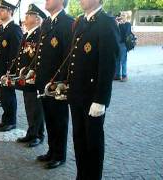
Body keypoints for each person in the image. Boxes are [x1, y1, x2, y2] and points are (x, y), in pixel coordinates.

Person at [67, 0, 120, 179]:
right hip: (76, 93)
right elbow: (74, 57)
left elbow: (108, 64)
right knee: (79, 139)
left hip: (92, 96)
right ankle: (82, 175)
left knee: (93, 142)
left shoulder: (107, 22)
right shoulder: (80, 21)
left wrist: (101, 99)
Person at [35, 0, 74, 169]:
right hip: (45, 81)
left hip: (57, 83)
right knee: (49, 118)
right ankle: (52, 150)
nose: (46, 1)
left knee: (59, 119)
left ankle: (59, 155)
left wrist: (61, 82)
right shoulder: (47, 22)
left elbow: (68, 56)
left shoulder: (68, 23)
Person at [14, 4, 46, 148]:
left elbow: (39, 57)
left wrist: (30, 72)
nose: (25, 18)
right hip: (25, 77)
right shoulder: (27, 34)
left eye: (28, 16)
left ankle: (38, 135)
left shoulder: (40, 34)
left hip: (34, 77)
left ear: (37, 19)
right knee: (29, 105)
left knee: (36, 107)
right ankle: (31, 132)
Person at [0, 0, 23, 132]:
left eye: (3, 10)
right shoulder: (2, 29)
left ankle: (11, 121)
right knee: (2, 95)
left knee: (8, 95)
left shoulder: (14, 29)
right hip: (0, 69)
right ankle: (5, 119)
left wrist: (10, 72)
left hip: (7, 70)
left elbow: (15, 54)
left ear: (10, 12)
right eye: (0, 10)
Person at [115, 12, 132, 82]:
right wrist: (116, 24)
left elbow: (127, 34)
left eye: (123, 15)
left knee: (123, 60)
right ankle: (117, 75)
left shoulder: (128, 24)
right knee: (117, 60)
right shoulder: (119, 24)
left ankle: (124, 76)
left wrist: (122, 25)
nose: (122, 16)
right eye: (121, 15)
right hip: (117, 44)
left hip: (123, 44)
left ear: (126, 16)